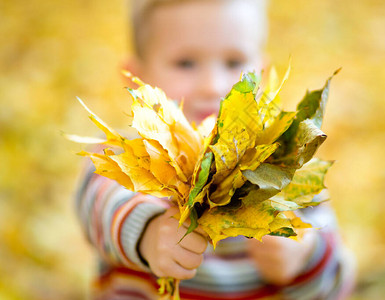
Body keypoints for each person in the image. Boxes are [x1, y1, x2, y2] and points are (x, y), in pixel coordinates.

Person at [76, 0, 355, 299]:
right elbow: (98, 204)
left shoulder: (282, 168)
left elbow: (338, 281)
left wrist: (305, 257)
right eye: (185, 63)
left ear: (261, 74)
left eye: (234, 63)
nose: (212, 86)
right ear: (135, 76)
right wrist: (147, 232)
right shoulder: (127, 158)